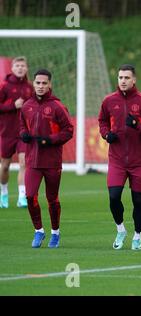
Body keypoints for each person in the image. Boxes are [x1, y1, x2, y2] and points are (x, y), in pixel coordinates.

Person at [98, 64, 141, 251]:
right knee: (113, 196)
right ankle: (120, 229)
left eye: (127, 78)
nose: (123, 81)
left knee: (138, 201)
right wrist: (106, 134)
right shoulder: (109, 100)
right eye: (120, 78)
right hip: (117, 159)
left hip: (139, 161)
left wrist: (137, 126)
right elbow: (102, 121)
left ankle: (138, 235)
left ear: (134, 80)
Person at [19, 69, 74, 248]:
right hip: (33, 161)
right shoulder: (27, 106)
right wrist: (23, 134)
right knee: (29, 196)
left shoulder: (58, 106)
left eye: (44, 83)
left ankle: (55, 233)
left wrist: (50, 139)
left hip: (52, 162)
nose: (41, 86)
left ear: (50, 84)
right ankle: (39, 231)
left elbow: (68, 131)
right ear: (33, 84)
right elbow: (21, 126)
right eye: (38, 83)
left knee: (52, 199)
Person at [0, 56, 33, 209]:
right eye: (17, 65)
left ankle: (22, 197)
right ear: (12, 69)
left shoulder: (30, 87)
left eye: (23, 66)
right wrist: (13, 105)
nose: (20, 68)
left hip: (23, 133)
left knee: (23, 163)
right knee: (5, 166)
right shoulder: (4, 86)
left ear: (26, 69)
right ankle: (4, 193)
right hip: (6, 133)